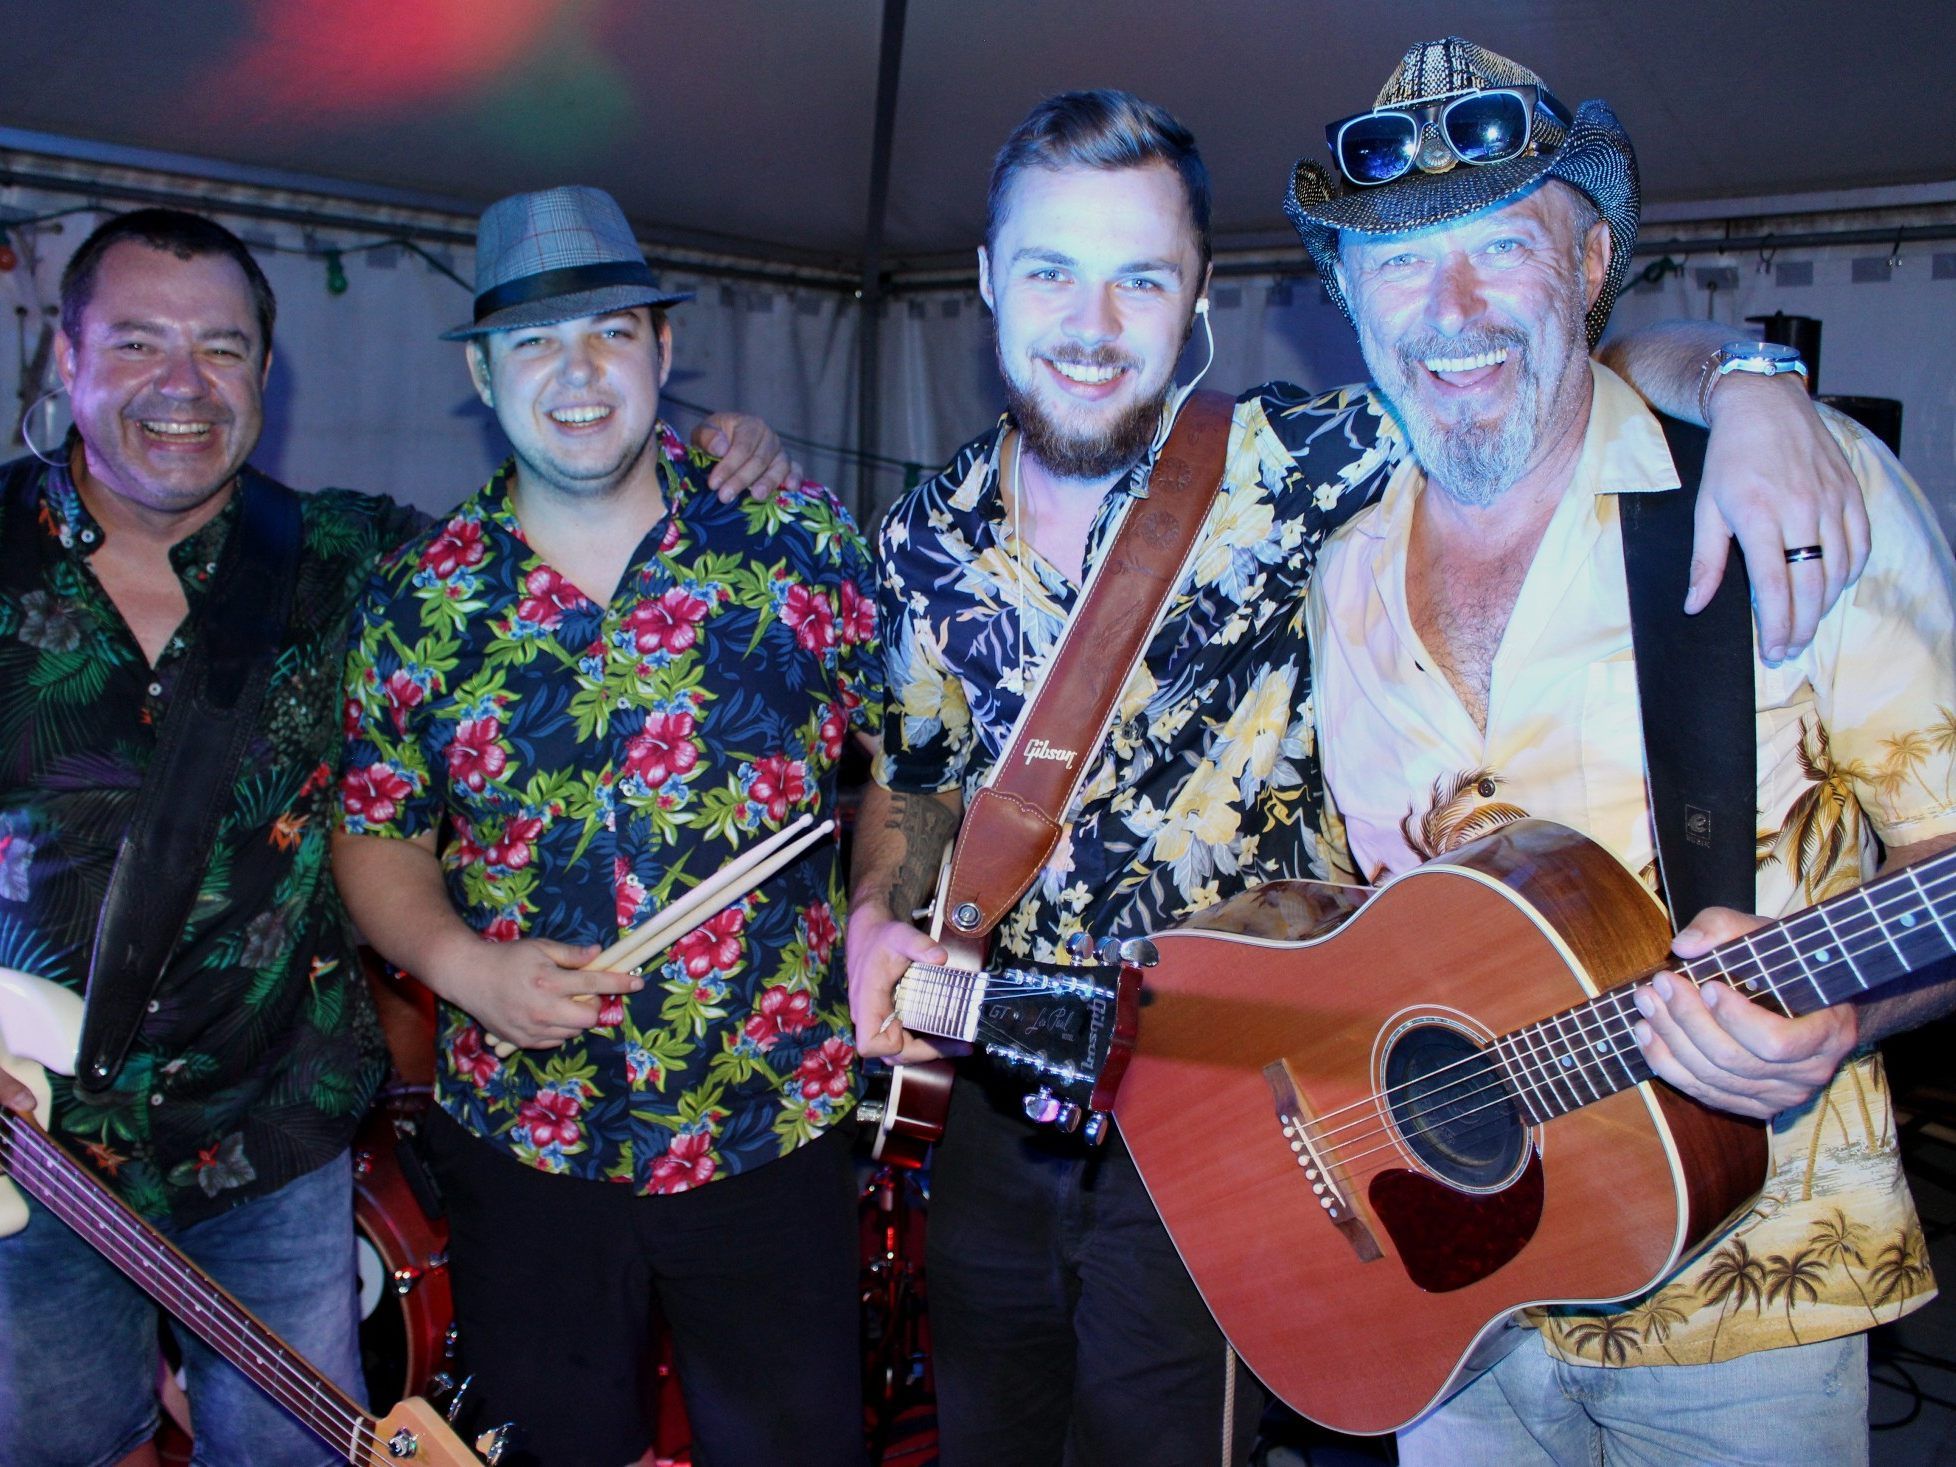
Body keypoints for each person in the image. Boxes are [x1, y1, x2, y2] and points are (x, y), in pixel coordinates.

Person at [846, 87, 1878, 1466]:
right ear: (985, 281)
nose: (1091, 329)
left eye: (1138, 278)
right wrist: (876, 909)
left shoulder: (1292, 464)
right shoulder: (920, 534)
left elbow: (1560, 365)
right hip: (990, 1095)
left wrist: (1751, 384)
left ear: (1200, 290)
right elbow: (910, 779)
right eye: (1051, 272)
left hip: (1227, 1097)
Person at [0, 205, 802, 1467]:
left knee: (297, 1458)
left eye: (220, 349)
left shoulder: (348, 558)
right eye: (140, 343)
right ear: (66, 357)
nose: (181, 386)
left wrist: (712, 454)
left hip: (271, 1141)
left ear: (267, 374)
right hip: (29, 1147)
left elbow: (556, 532)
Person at [1291, 37, 1956, 1466]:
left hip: (1744, 1303)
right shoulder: (1342, 578)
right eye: (1400, 263)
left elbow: (1945, 851)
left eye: (1502, 248)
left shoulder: (1790, 491)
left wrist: (1846, 1018)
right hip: (1449, 1289)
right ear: (1347, 297)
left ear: (1590, 264)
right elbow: (1382, 919)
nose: (1452, 309)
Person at [330, 185, 880, 1467]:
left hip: (772, 1124)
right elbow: (376, 831)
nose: (577, 374)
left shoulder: (795, 549)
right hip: (527, 1138)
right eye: (533, 342)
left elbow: (915, 765)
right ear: (480, 369)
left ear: (664, 352)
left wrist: (875, 919)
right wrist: (465, 969)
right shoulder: (422, 600)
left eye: (614, 333)